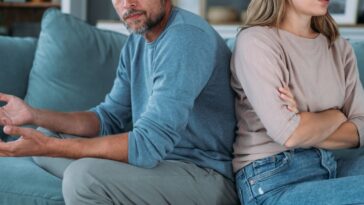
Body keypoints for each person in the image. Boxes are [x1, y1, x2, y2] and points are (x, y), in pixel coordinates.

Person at [0, 0, 238, 204]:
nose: (127, 3)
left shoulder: (185, 38)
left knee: (83, 177)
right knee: (47, 134)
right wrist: (34, 115)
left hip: (204, 174)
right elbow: (108, 118)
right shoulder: (136, 42)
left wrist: (50, 148)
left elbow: (148, 145)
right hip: (158, 166)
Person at [231, 0, 364, 204]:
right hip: (272, 180)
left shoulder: (338, 47)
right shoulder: (256, 41)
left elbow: (361, 128)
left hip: (328, 165)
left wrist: (305, 123)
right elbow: (289, 134)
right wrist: (337, 115)